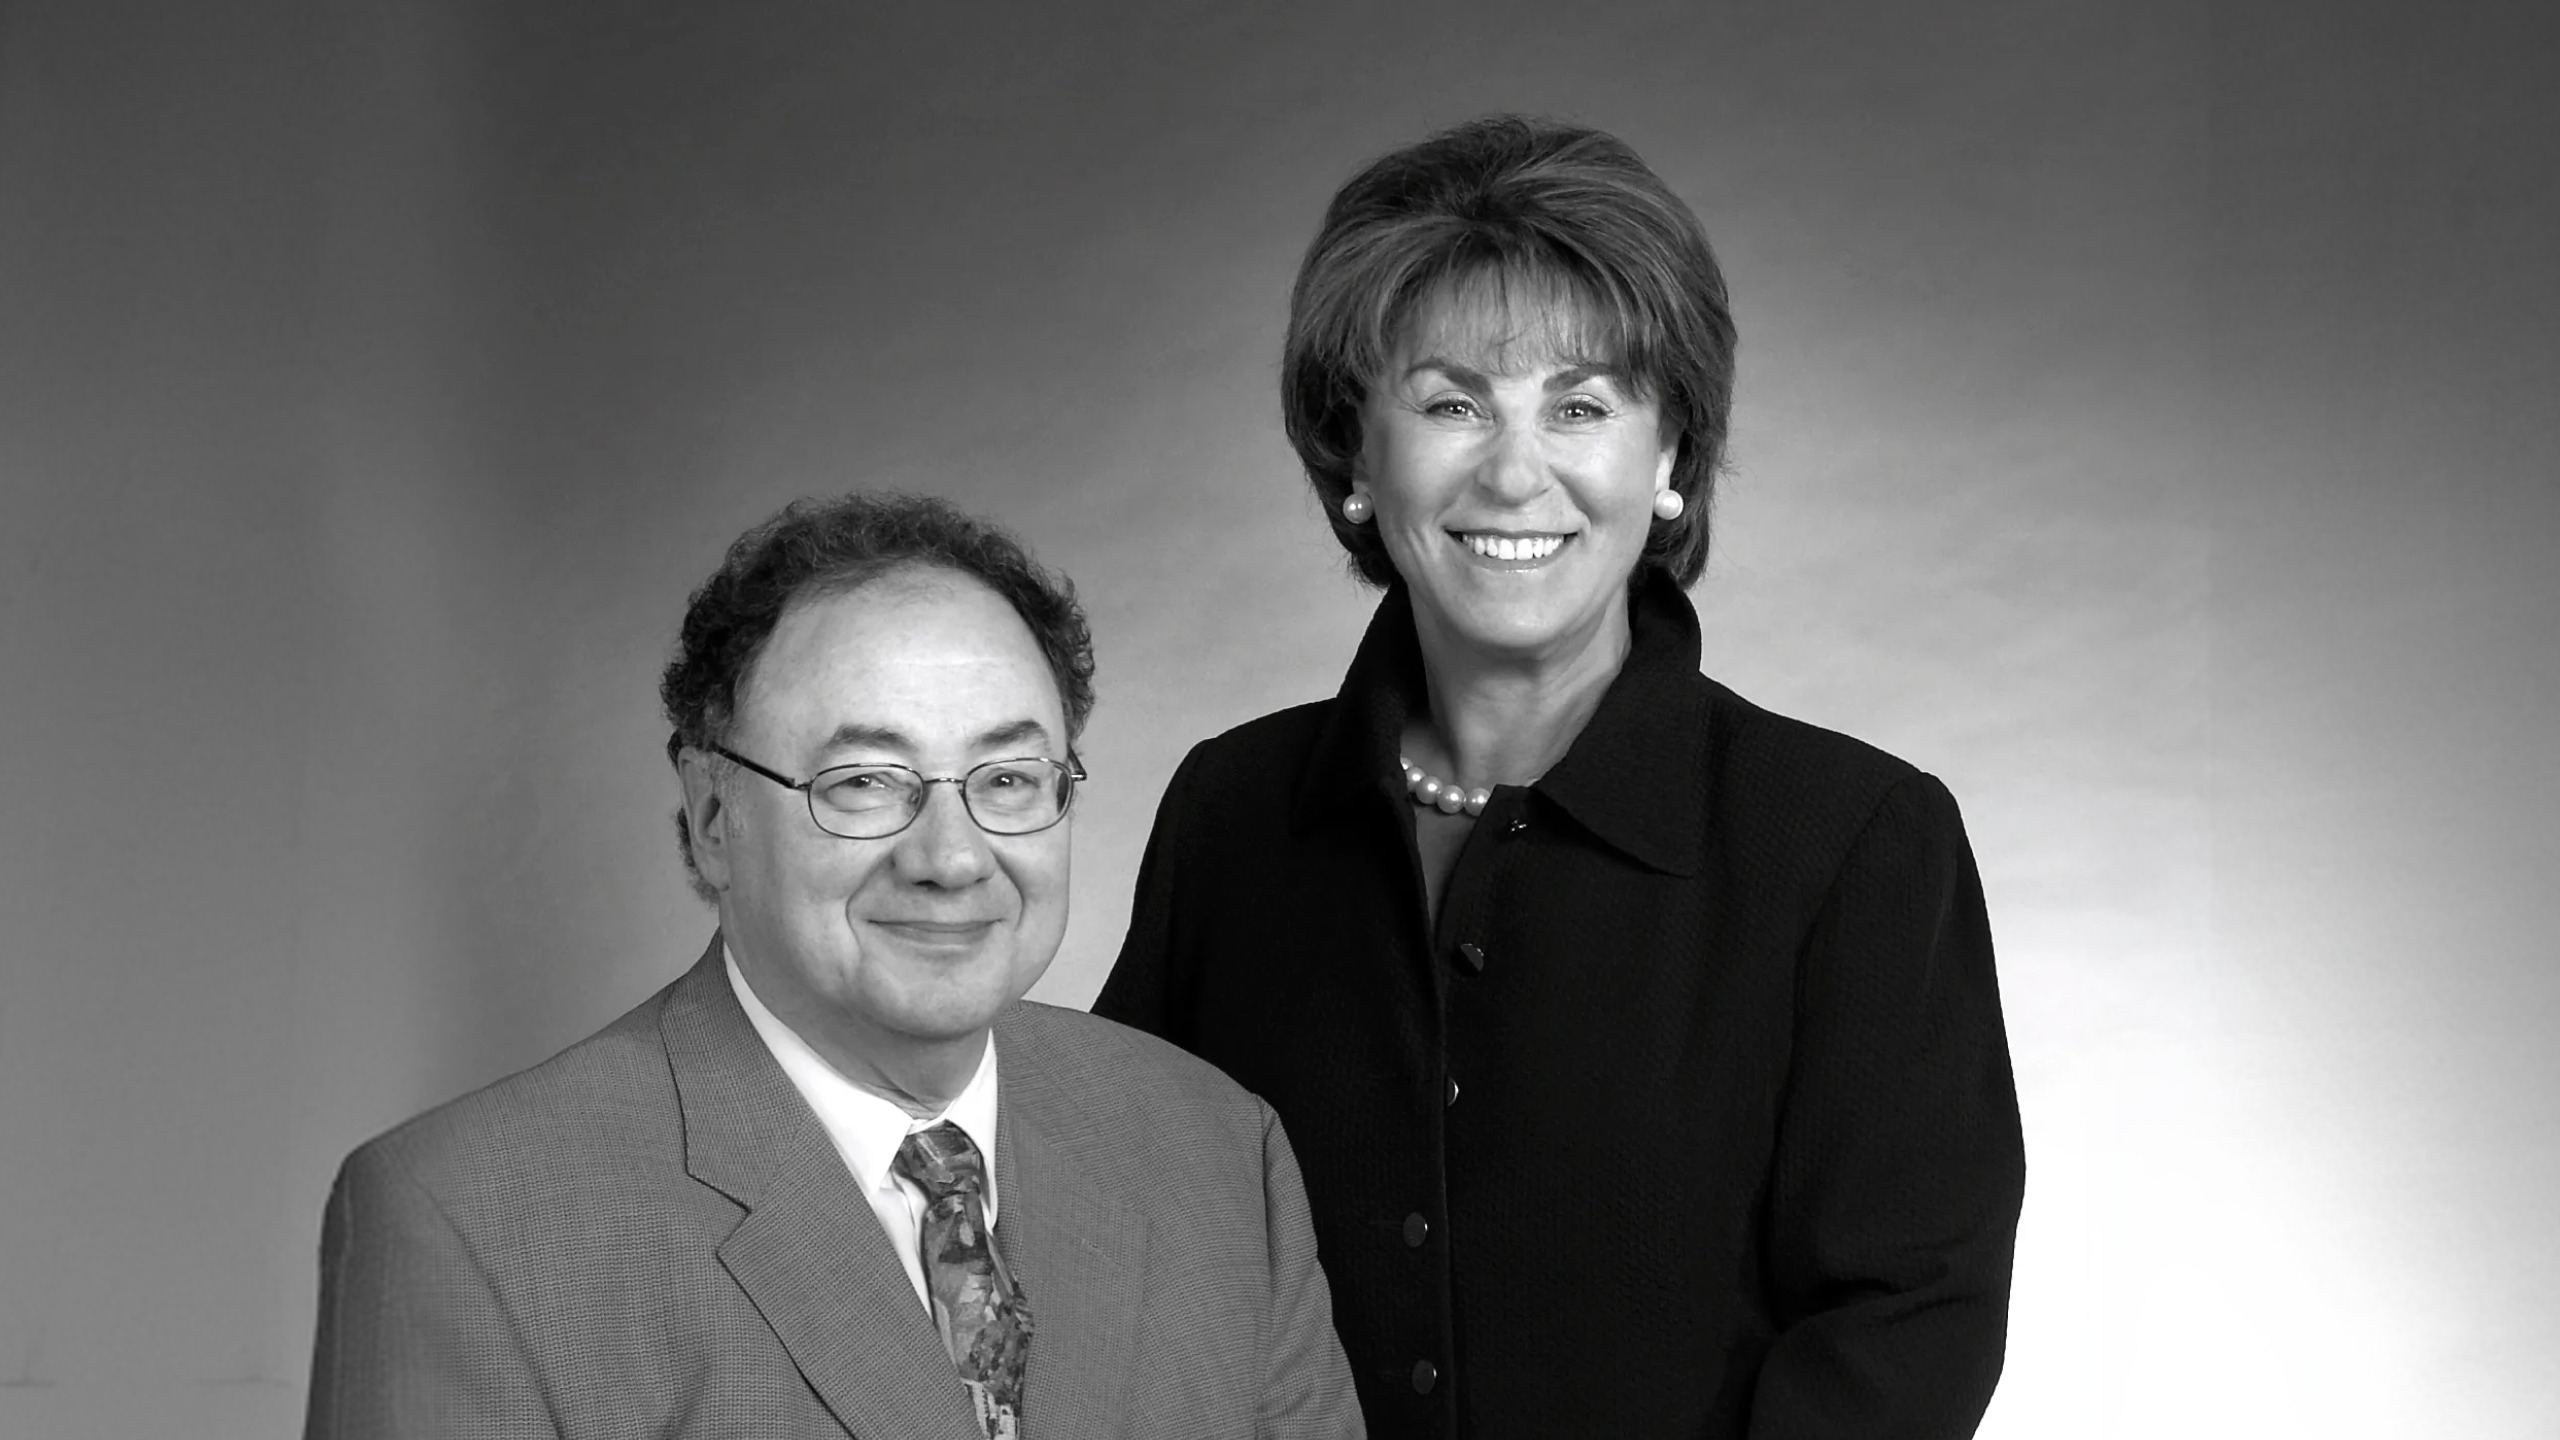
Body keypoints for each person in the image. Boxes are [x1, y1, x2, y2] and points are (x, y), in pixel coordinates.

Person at [1093, 115, 2026, 1439]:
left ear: (1671, 463)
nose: (1515, 470)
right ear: (1357, 460)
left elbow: (1904, 1327)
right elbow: (1133, 1255)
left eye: (1580, 406)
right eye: (1450, 402)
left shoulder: (1854, 842)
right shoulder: (1231, 816)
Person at [304, 494, 1364, 1439]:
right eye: (863, 782)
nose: (950, 857)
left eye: (1006, 777)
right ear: (713, 818)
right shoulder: (471, 1222)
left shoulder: (1216, 1152)